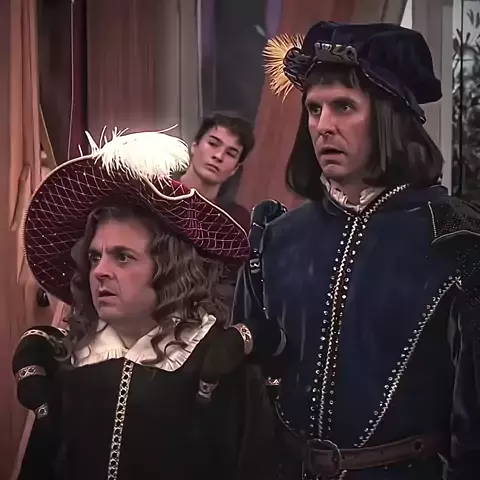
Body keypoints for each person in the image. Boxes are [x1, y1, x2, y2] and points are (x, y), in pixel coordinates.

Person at [222, 22, 480, 479]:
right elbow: (248, 402)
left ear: (388, 117)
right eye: (314, 109)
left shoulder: (454, 236)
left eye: (344, 106)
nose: (323, 126)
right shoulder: (277, 239)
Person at [12, 131, 273, 480]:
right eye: (95, 257)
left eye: (123, 257)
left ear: (170, 269)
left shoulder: (219, 367)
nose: (100, 271)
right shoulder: (68, 362)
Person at [180, 112, 255, 232]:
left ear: (235, 168)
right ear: (194, 145)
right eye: (213, 144)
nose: (219, 156)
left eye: (230, 153)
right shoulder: (156, 193)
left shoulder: (235, 223)